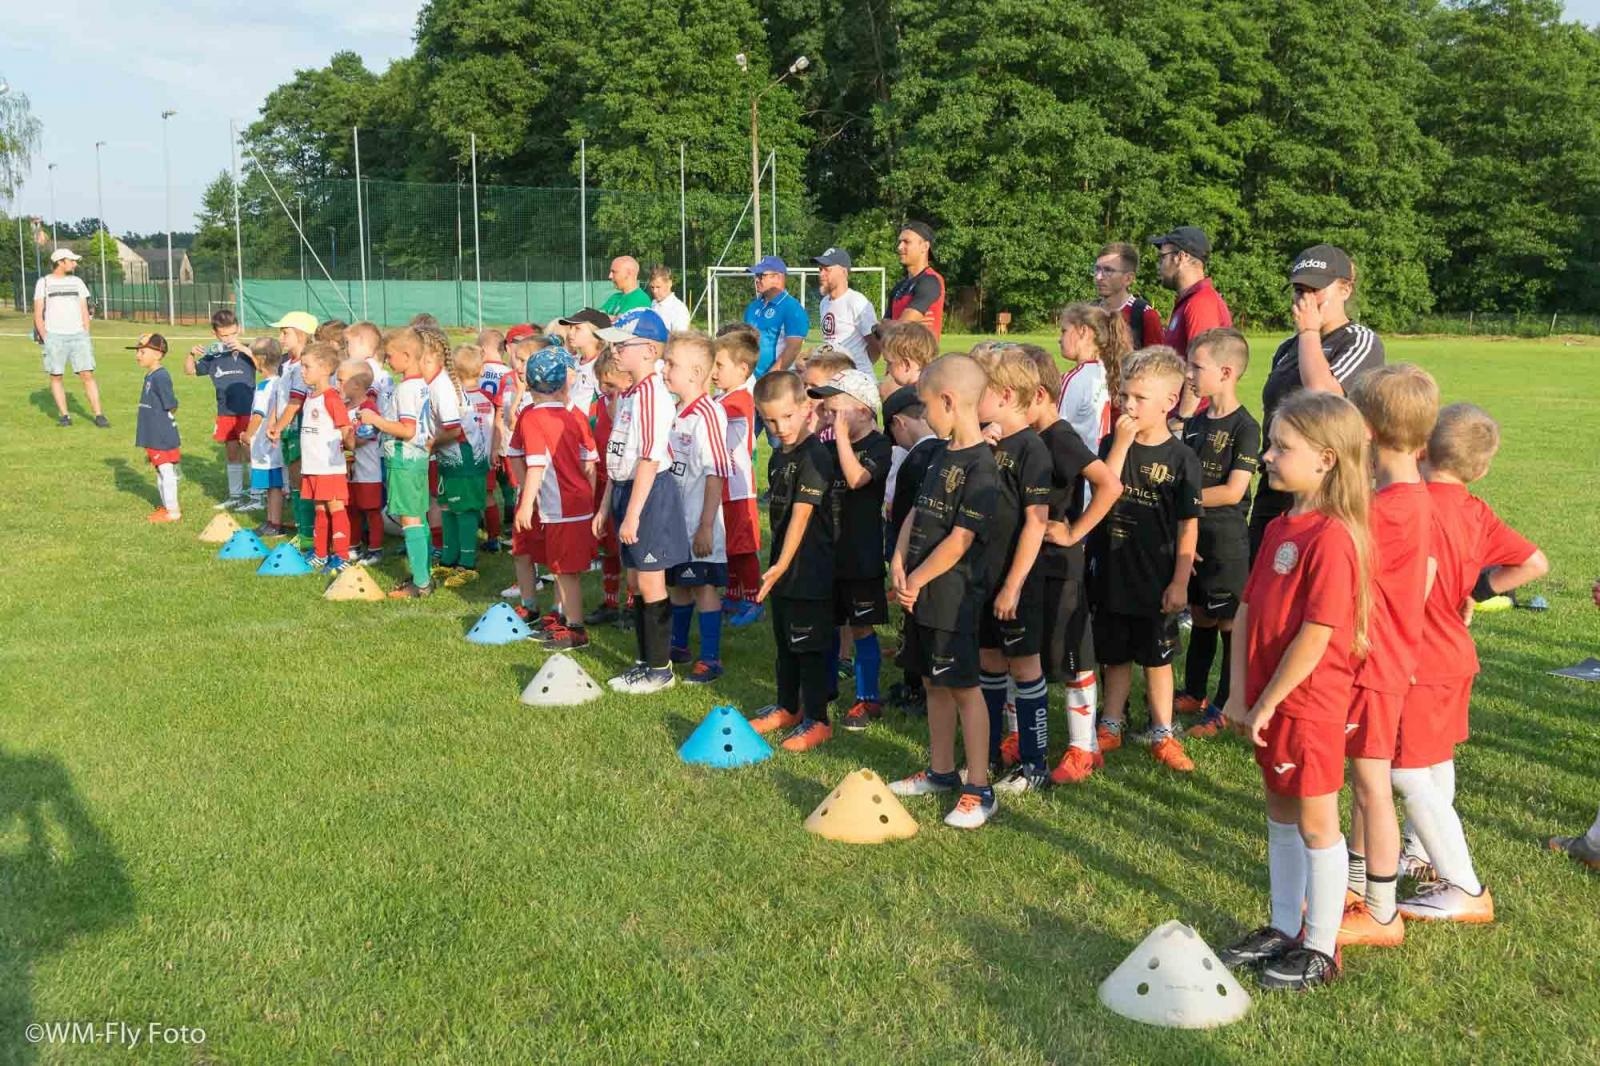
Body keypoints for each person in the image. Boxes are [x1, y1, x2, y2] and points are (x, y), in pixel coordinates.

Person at [1218, 390, 1371, 992]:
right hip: (1264, 698)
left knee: (1315, 823)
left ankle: (1321, 945)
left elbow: (1317, 633)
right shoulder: (1282, 524)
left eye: (1283, 447)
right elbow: (1249, 608)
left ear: (1327, 459)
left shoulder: (1333, 538)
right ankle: (1285, 925)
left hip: (1307, 704)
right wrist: (1236, 693)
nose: (1268, 457)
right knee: (1279, 812)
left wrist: (1271, 700)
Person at [1391, 404, 1548, 924]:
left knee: (1405, 771)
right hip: (1455, 655)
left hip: (1418, 658)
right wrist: (1477, 590)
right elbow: (1534, 563)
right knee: (1434, 760)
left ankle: (1462, 884)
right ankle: (1418, 850)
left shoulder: (1408, 505)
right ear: (1480, 469)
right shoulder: (1475, 510)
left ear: (1421, 448)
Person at [1336, 364, 1439, 949]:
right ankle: (1355, 885)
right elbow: (1424, 577)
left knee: (1373, 783)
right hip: (1383, 659)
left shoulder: (1388, 510)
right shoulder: (1407, 497)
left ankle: (1381, 909)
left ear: (1367, 429)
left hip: (1375, 667)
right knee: (1362, 776)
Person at [887, 355, 1000, 828]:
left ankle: (979, 785)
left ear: (950, 401)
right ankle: (940, 771)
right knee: (933, 680)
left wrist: (917, 579)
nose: (924, 414)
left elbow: (959, 540)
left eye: (927, 404)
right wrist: (897, 559)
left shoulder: (981, 467)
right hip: (920, 589)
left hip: (951, 595)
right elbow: (917, 512)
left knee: (961, 687)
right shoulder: (939, 452)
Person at [1012, 347, 1122, 784]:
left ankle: (1083, 748)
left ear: (1038, 395)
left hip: (1061, 563)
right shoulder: (1023, 437)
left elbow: (1109, 484)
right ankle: (1017, 736)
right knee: (1022, 652)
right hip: (1029, 560)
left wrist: (1076, 531)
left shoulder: (1060, 437)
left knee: (1072, 656)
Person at [1090, 347, 1202, 772]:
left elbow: (1187, 525)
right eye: (1124, 395)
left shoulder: (1181, 458)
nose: (1128, 406)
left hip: (1154, 576)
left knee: (1157, 657)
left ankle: (1162, 733)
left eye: (1138, 398)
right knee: (1114, 654)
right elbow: (1107, 488)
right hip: (1112, 569)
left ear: (1169, 402)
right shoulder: (1111, 444)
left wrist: (1179, 581)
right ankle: (1111, 724)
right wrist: (1119, 444)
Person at [1250, 246, 1385, 558]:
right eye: (1299, 290)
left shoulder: (1358, 340)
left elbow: (1323, 397)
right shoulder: (1288, 348)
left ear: (1345, 289)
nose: (1305, 300)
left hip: (1327, 485)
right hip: (1277, 481)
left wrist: (1309, 331)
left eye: (1315, 290)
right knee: (1259, 575)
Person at [969, 346, 1053, 792]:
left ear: (1002, 395)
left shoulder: (1032, 450)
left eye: (978, 393)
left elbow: (1036, 523)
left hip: (1016, 584)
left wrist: (1013, 586)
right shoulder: (986, 442)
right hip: (982, 578)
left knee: (1024, 668)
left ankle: (1034, 766)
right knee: (988, 663)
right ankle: (987, 755)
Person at [592, 309, 689, 694]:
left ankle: (660, 669)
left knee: (651, 583)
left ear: (649, 350)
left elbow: (649, 459)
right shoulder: (630, 393)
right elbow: (618, 457)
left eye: (622, 344)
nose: (614, 350)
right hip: (626, 492)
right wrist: (605, 507)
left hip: (648, 496)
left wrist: (632, 515)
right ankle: (643, 661)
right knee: (636, 580)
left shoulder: (652, 395)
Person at [1175, 329, 1261, 737]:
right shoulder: (1194, 423)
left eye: (1197, 367)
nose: (1189, 373)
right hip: (1195, 536)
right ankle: (1194, 692)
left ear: (1226, 372)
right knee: (1201, 616)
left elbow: (1233, 490)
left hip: (1226, 541)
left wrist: (1180, 499)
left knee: (1229, 623)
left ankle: (1225, 706)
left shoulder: (1246, 426)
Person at [748, 370, 839, 752]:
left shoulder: (816, 456)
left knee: (810, 644)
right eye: (770, 419)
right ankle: (788, 707)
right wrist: (777, 566)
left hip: (810, 569)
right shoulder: (779, 456)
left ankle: (818, 718)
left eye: (787, 416)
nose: (779, 426)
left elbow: (802, 515)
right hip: (782, 567)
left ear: (805, 409)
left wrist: (783, 565)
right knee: (785, 642)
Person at [808, 369, 892, 730]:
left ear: (862, 408)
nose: (828, 407)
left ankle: (867, 698)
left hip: (861, 554)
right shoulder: (828, 443)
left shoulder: (879, 445)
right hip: (829, 552)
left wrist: (839, 437)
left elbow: (858, 479)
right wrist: (818, 431)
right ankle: (823, 691)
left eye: (836, 401)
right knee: (828, 624)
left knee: (861, 627)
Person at [513, 345, 600, 650]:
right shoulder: (572, 415)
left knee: (565, 572)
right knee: (565, 570)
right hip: (576, 504)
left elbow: (535, 464)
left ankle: (575, 630)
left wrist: (526, 503)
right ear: (564, 383)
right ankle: (566, 623)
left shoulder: (532, 418)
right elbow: (590, 462)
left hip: (560, 508)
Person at [662, 332, 732, 682]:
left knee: (704, 586)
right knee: (677, 584)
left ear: (694, 373)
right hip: (675, 523)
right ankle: (677, 645)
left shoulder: (709, 413)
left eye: (671, 363)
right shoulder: (674, 410)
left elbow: (716, 472)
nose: (664, 369)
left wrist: (705, 525)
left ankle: (710, 657)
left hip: (698, 522)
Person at [881, 385, 946, 718]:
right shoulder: (948, 452)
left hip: (917, 559)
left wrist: (897, 556)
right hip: (943, 561)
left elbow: (906, 514)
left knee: (915, 627)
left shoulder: (916, 460)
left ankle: (916, 687)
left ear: (899, 424)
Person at [355, 327, 434, 599]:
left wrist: (375, 420)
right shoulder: (423, 385)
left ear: (407, 355)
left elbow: (407, 429)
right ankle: (424, 574)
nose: (387, 361)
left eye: (390, 356)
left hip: (404, 458)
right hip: (420, 457)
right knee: (419, 517)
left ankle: (421, 583)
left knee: (409, 519)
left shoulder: (405, 389)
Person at [711, 327, 764, 628]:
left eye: (719, 365)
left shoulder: (739, 399)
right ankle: (732, 594)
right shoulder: (725, 397)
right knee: (729, 543)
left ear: (742, 369)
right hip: (724, 486)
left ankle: (754, 599)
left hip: (738, 486)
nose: (714, 372)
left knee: (743, 546)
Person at [1149, 226, 1232, 419]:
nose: (1159, 265)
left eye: (1162, 257)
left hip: (1192, 421)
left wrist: (1183, 419)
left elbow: (1201, 364)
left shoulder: (1200, 302)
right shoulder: (1191, 300)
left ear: (1181, 257)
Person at [185, 309, 256, 510]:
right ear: (214, 334)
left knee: (249, 451)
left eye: (232, 333)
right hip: (225, 412)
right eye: (224, 335)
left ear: (239, 329)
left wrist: (245, 349)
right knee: (232, 453)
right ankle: (235, 495)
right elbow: (190, 370)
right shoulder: (213, 355)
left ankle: (257, 495)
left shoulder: (248, 351)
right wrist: (191, 354)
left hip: (248, 411)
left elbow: (264, 366)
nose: (229, 339)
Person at [583, 348, 633, 628]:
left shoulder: (632, 405)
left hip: (626, 482)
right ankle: (611, 601)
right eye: (602, 383)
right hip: (603, 481)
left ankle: (632, 604)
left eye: (611, 385)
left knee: (630, 548)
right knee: (608, 545)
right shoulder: (600, 404)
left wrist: (617, 417)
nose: (605, 389)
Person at [436, 346, 493, 588]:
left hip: (464, 462)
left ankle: (467, 563)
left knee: (465, 510)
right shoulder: (474, 397)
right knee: (448, 508)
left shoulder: (459, 398)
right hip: (454, 461)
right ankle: (449, 559)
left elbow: (457, 431)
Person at [296, 343, 355, 572]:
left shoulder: (331, 398)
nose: (302, 371)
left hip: (329, 467)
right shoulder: (310, 396)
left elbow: (345, 429)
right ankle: (320, 553)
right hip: (312, 466)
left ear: (324, 368)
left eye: (306, 366)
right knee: (320, 509)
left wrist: (351, 454)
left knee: (335, 507)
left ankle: (342, 556)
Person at [35, 248, 108, 428]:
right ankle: (65, 416)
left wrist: (85, 331)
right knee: (56, 376)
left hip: (78, 336)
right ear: (60, 262)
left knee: (87, 374)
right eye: (71, 260)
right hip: (55, 337)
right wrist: (46, 336)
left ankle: (99, 415)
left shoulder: (77, 282)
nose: (75, 264)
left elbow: (84, 309)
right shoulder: (44, 283)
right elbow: (38, 313)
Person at [265, 310, 318, 552]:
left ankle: (308, 535)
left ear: (301, 335)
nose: (281, 337)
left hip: (300, 430)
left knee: (300, 482)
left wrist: (279, 425)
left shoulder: (304, 365)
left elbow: (296, 402)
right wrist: (272, 421)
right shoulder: (287, 364)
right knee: (294, 483)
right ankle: (301, 528)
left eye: (285, 333)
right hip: (287, 429)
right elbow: (281, 395)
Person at [1056, 302, 1132, 453]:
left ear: (1083, 331)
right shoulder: (1109, 371)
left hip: (1078, 466)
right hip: (1098, 460)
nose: (1060, 339)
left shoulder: (1075, 378)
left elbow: (1055, 428)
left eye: (1064, 331)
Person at [338, 359, 385, 562]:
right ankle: (354, 545)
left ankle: (375, 549)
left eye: (341, 381)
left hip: (368, 471)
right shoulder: (343, 407)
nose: (337, 386)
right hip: (348, 471)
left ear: (356, 384)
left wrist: (343, 437)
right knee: (351, 509)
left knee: (371, 510)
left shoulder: (369, 409)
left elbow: (360, 440)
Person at [131, 333, 181, 522]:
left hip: (160, 431)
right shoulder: (150, 375)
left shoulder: (161, 376)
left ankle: (173, 511)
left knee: (165, 469)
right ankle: (166, 506)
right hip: (153, 430)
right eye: (138, 351)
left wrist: (162, 423)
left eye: (142, 352)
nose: (138, 355)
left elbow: (170, 403)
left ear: (158, 354)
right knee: (160, 469)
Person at [242, 339, 287, 533]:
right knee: (272, 485)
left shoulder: (263, 386)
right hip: (274, 444)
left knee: (273, 485)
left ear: (260, 359)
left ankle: (274, 523)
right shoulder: (282, 382)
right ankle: (270, 521)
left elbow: (258, 414)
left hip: (266, 445)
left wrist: (247, 434)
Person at [813, 247, 878, 374]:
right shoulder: (824, 303)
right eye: (820, 269)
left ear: (843, 271)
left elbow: (875, 345)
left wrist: (859, 367)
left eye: (827, 269)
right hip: (833, 376)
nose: (821, 274)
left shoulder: (856, 301)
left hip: (857, 380)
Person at [742, 256, 810, 376]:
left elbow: (793, 348)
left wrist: (770, 378)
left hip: (776, 382)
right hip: (749, 378)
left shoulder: (792, 308)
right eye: (755, 276)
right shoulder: (752, 307)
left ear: (778, 277)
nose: (757, 280)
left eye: (761, 275)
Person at [1093, 242, 1164, 350]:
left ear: (1128, 279)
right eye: (1097, 269)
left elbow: (1157, 364)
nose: (1099, 277)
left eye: (1108, 270)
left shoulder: (1144, 315)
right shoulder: (1090, 312)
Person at [887, 221, 945, 340]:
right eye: (900, 242)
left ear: (925, 247)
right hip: (894, 357)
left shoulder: (930, 281)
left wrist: (889, 326)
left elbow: (900, 328)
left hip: (920, 358)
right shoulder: (899, 287)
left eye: (906, 242)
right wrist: (898, 325)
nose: (899, 247)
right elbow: (882, 332)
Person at [554, 308, 611, 415]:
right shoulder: (573, 361)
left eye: (577, 328)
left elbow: (604, 405)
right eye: (570, 327)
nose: (570, 333)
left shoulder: (601, 365)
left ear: (596, 334)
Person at [648, 265, 692, 333]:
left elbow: (680, 341)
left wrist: (656, 343)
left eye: (658, 287)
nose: (654, 291)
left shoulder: (678, 309)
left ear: (669, 284)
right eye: (652, 287)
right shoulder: (653, 304)